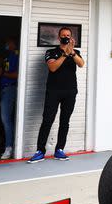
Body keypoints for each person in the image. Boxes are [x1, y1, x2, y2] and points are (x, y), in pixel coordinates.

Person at [29, 27, 85, 163]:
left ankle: (59, 150)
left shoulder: (75, 52)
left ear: (71, 38)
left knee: (65, 121)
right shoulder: (51, 52)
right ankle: (40, 151)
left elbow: (81, 64)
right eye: (63, 35)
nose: (66, 37)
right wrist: (64, 54)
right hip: (53, 91)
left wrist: (71, 52)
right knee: (47, 120)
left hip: (70, 91)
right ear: (59, 38)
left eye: (68, 35)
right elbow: (53, 67)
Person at [0, 37, 19, 159]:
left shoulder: (16, 56)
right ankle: (8, 145)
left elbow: (17, 74)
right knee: (6, 119)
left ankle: (9, 147)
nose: (6, 44)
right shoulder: (8, 56)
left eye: (8, 42)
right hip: (4, 89)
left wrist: (3, 73)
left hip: (11, 88)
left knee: (6, 118)